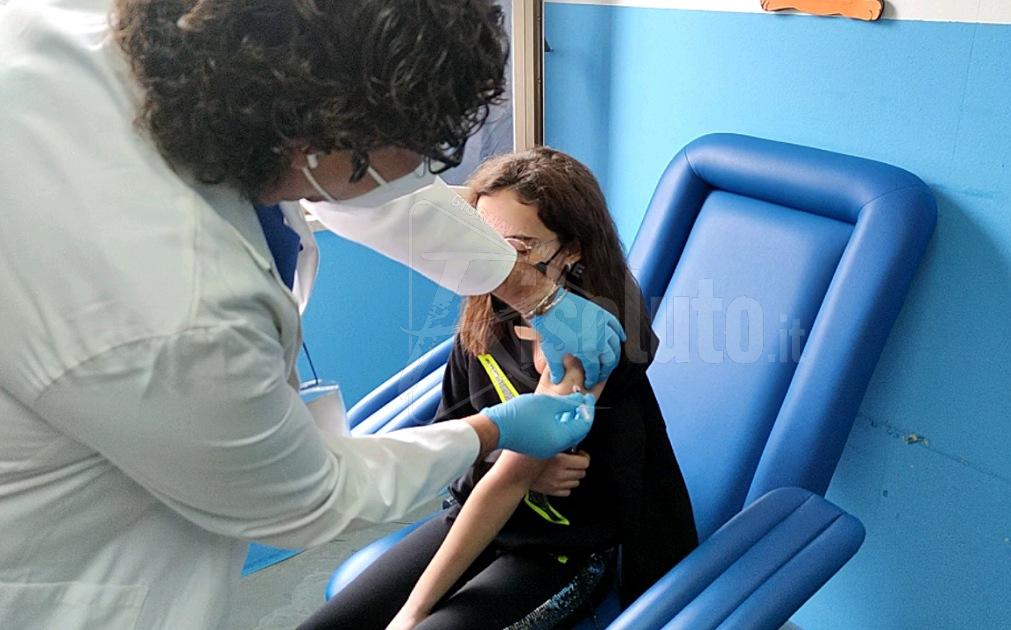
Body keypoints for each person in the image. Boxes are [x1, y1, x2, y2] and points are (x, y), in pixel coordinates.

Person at [0, 1, 622, 628]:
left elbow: (375, 193)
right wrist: (488, 433)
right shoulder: (182, 307)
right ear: (318, 137)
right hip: (66, 562)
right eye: (416, 149)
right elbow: (307, 497)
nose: (421, 174)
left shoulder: (185, 75)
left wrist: (529, 290)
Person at [300, 148, 698, 630]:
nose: (497, 264)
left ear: (572, 250)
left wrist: (412, 611)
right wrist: (508, 459)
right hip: (476, 518)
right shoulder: (489, 309)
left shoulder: (586, 343)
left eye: (519, 248)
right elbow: (461, 439)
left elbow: (505, 484)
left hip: (555, 553)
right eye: (484, 241)